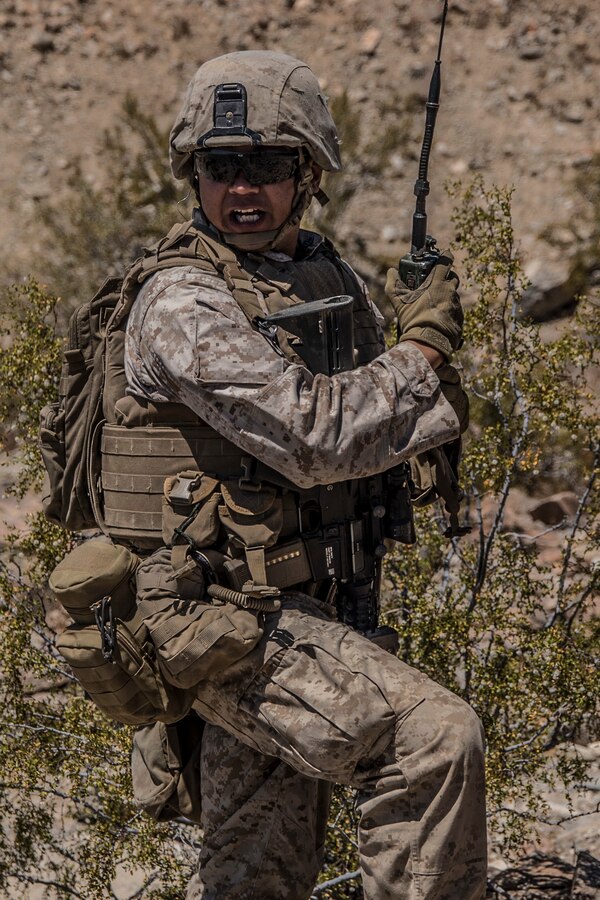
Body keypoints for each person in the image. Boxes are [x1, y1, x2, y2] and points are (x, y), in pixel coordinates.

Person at [107, 50, 486, 899]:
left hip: (297, 607)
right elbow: (315, 434)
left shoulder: (322, 274)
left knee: (259, 871)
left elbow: (381, 419)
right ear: (193, 175)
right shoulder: (181, 301)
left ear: (310, 173)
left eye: (269, 165)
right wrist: (425, 348)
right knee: (433, 741)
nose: (243, 189)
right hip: (211, 622)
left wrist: (410, 325)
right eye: (221, 166)